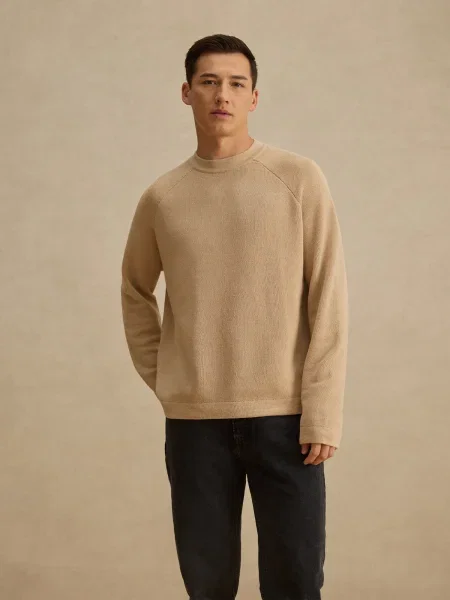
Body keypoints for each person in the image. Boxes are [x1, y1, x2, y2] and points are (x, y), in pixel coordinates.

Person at [121, 33, 349, 600]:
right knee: (207, 585)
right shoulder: (163, 197)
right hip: (195, 426)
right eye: (208, 81)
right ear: (187, 93)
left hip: (287, 421)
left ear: (253, 97)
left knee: (295, 584)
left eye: (235, 83)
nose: (222, 94)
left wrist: (322, 410)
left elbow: (328, 295)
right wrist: (169, 378)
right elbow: (134, 290)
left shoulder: (298, 179)